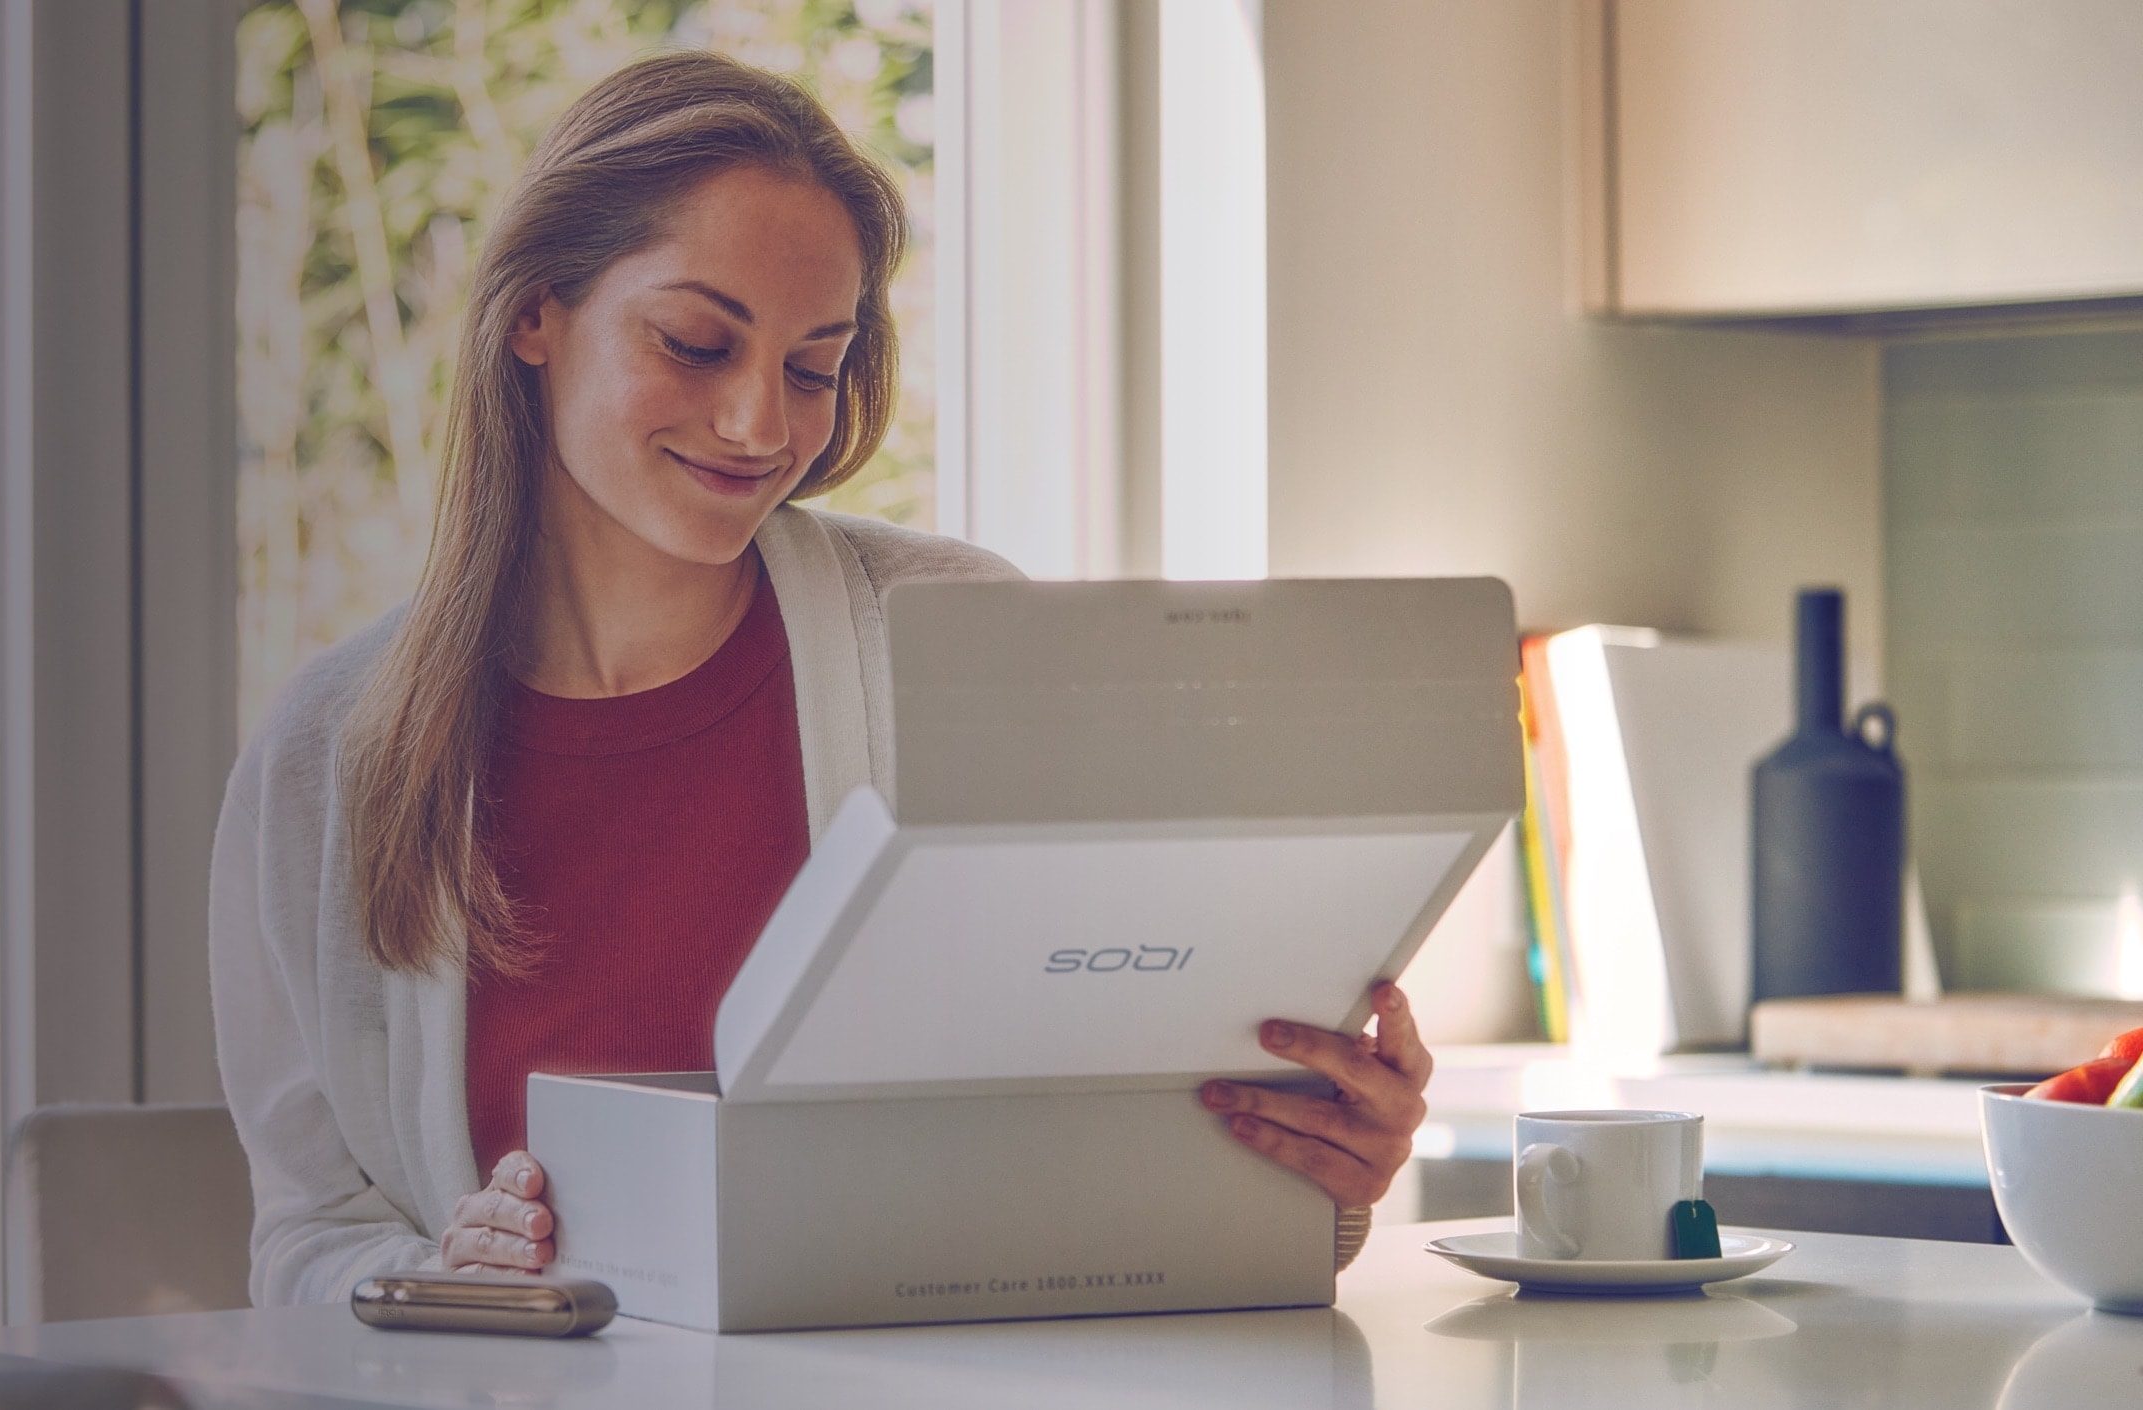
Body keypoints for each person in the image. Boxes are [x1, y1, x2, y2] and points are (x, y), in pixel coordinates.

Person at [208, 49, 1432, 1307]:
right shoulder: (331, 757)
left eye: (812, 367)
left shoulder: (952, 642)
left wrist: (1321, 1164)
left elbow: (1115, 1111)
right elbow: (312, 1241)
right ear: (535, 313)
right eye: (695, 343)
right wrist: (440, 1277)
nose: (759, 426)